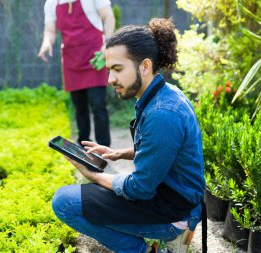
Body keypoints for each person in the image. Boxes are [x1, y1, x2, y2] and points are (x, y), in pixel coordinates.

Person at [51, 18, 206, 253]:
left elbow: (139, 188)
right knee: (90, 194)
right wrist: (118, 154)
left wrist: (94, 175)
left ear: (144, 66)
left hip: (174, 210)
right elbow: (165, 149)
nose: (110, 80)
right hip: (170, 195)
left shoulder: (162, 113)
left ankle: (144, 250)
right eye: (109, 70)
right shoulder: (164, 95)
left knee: (65, 202)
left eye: (117, 69)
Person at [38, 0, 115, 147]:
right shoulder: (51, 3)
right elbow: (50, 30)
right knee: (79, 106)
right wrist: (46, 42)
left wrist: (108, 44)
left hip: (94, 56)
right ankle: (84, 144)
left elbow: (109, 17)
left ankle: (104, 147)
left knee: (98, 103)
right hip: (71, 59)